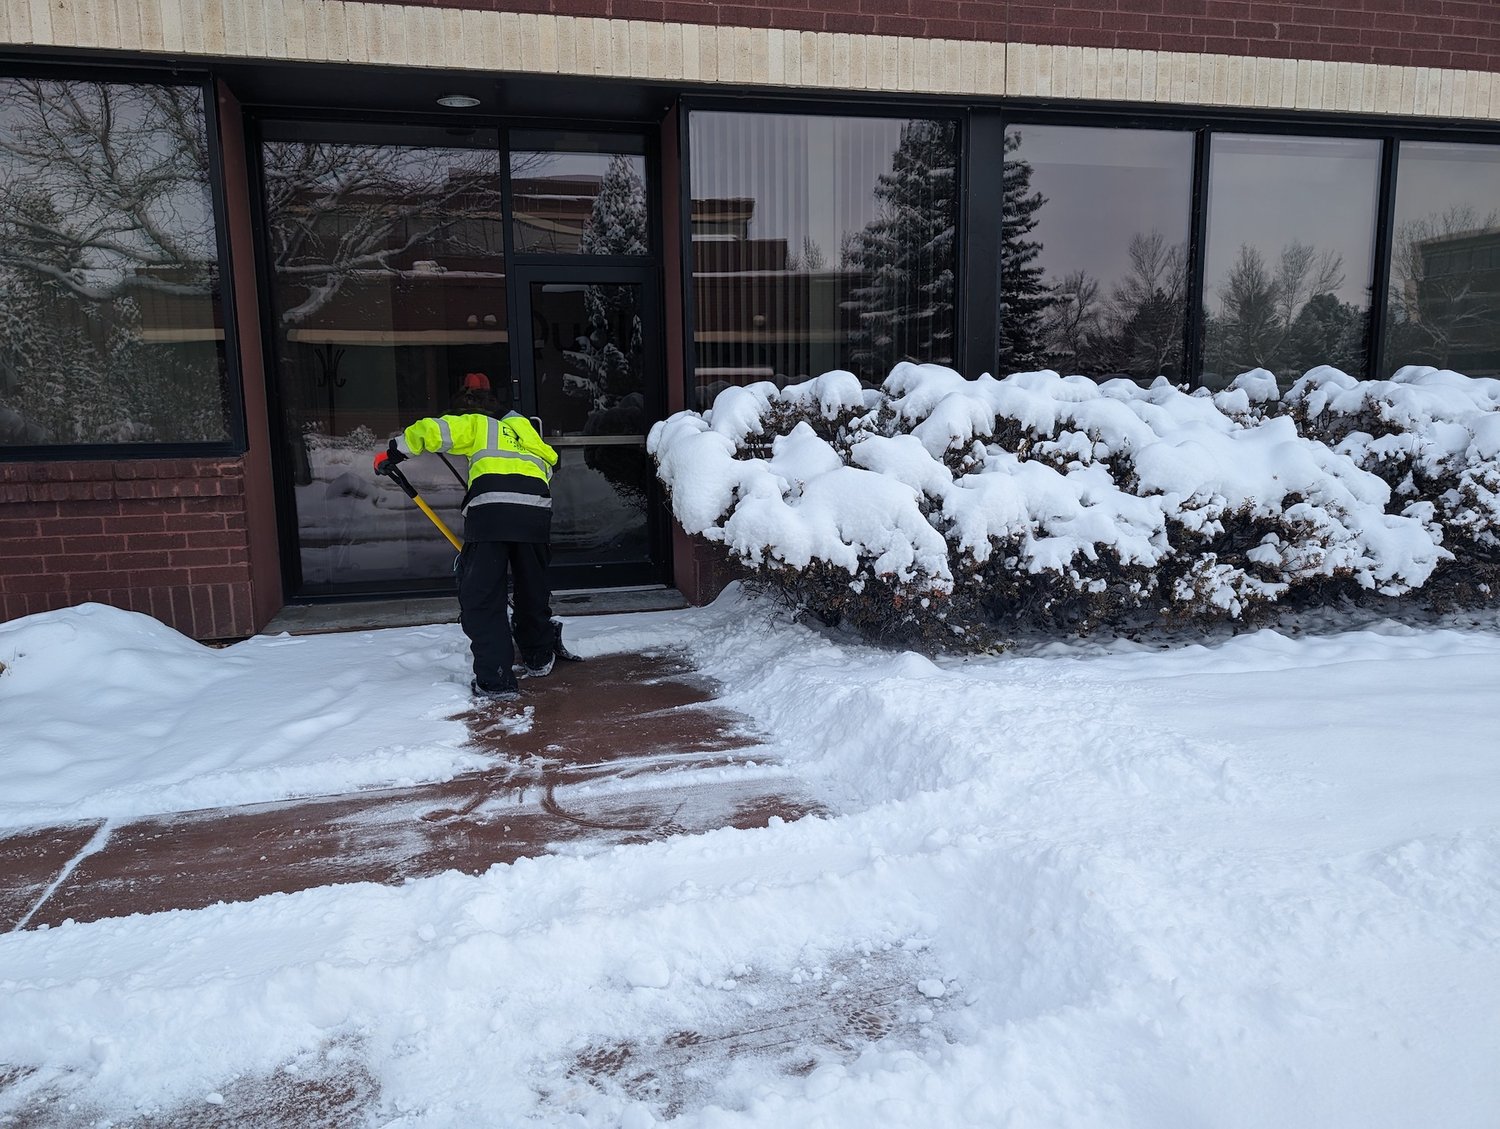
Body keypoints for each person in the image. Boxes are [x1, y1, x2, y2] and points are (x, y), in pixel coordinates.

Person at [374, 372, 558, 701]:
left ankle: (496, 679)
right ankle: (539, 656)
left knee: (483, 595)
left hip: (491, 513)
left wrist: (394, 452)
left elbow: (431, 431)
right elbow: (549, 461)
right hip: (536, 511)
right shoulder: (524, 429)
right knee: (532, 588)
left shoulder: (476, 424)